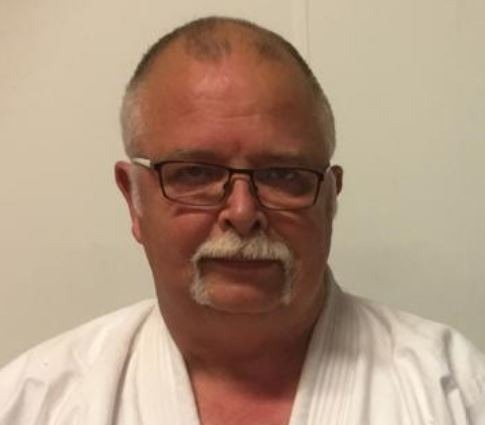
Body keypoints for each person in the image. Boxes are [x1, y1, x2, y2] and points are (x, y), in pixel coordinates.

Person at [0, 16, 484, 425]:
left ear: (330, 199)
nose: (243, 213)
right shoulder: (33, 402)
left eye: (283, 175)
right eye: (194, 173)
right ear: (133, 199)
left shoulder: (454, 392)